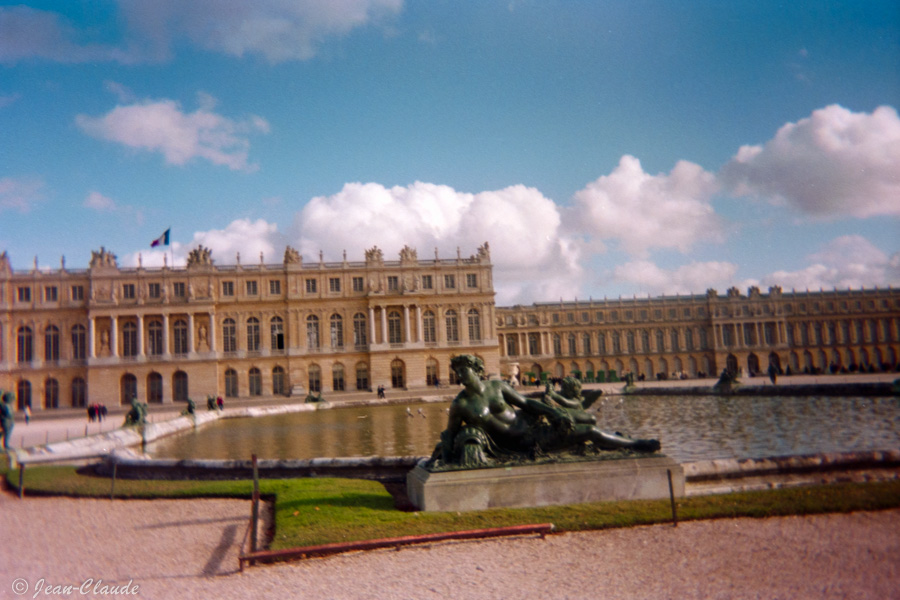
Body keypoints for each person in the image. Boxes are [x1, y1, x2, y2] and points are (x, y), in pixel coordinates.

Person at [431, 355, 659, 468]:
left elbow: (528, 404)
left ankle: (632, 443)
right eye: (458, 372)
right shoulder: (460, 404)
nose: (460, 376)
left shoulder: (498, 386)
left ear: (476, 370)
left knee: (588, 426)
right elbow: (450, 434)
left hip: (534, 428)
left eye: (463, 371)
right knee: (588, 431)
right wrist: (446, 460)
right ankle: (631, 443)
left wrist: (553, 413)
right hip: (521, 444)